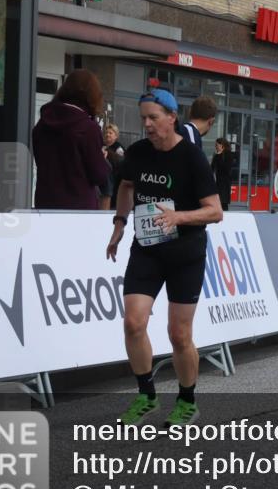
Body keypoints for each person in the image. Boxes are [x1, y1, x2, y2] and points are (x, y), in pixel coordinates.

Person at [107, 88, 223, 428]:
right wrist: (119, 223)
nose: (147, 124)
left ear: (172, 118)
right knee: (133, 322)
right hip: (147, 248)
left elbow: (215, 212)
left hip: (185, 253)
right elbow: (127, 186)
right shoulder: (139, 152)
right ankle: (146, 395)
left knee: (178, 334)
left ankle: (187, 401)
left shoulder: (191, 157)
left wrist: (178, 218)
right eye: (143, 118)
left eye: (153, 118)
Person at [32, 69, 111, 210]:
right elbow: (99, 175)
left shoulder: (42, 123)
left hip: (45, 203)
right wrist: (101, 158)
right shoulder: (88, 128)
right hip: (79, 207)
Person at [100, 123, 126, 210]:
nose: (107, 135)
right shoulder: (102, 147)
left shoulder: (119, 149)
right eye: (106, 133)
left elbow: (121, 164)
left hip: (115, 182)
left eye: (110, 133)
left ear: (116, 136)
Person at [211, 138, 233, 211]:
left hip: (225, 183)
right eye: (215, 145)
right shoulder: (217, 155)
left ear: (222, 146)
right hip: (218, 182)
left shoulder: (228, 155)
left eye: (217, 145)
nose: (216, 147)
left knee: (223, 203)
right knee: (217, 202)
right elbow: (212, 168)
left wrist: (218, 156)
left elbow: (226, 168)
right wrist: (217, 156)